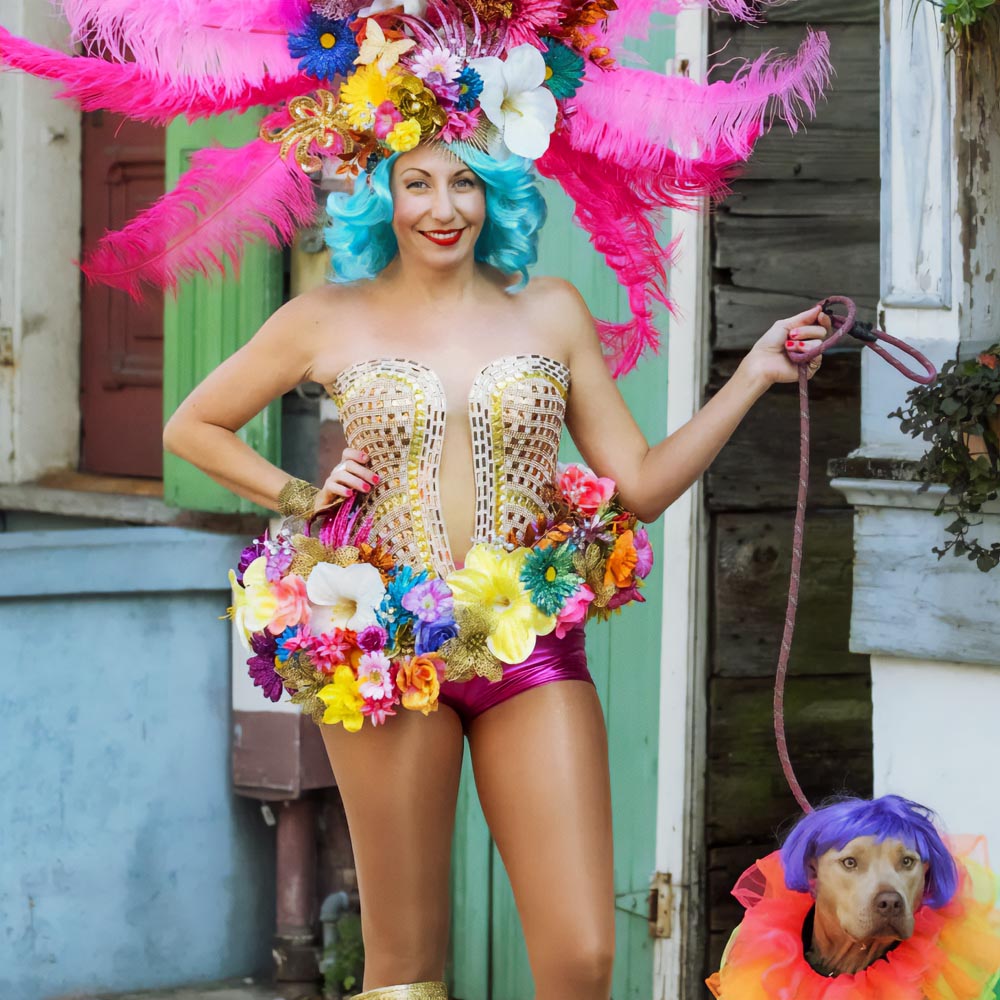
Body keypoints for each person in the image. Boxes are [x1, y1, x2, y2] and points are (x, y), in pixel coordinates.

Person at [162, 138, 830, 1000]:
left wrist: (752, 374)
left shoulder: (549, 311)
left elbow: (642, 486)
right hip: (388, 655)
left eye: (466, 183)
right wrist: (301, 495)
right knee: (404, 970)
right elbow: (193, 427)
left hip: (531, 643)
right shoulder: (325, 317)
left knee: (584, 953)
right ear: (381, 198)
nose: (445, 208)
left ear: (497, 195)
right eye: (418, 183)